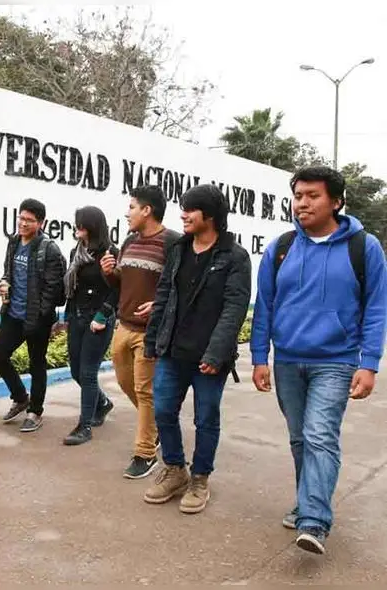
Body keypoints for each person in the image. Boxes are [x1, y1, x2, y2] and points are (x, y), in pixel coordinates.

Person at [250, 166, 387, 555]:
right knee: (299, 439)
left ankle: (314, 520)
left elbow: (376, 307)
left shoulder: (364, 247)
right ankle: (308, 501)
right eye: (298, 196)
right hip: (289, 361)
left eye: (313, 195)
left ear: (336, 201)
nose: (303, 203)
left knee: (319, 435)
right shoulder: (282, 247)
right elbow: (266, 305)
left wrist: (369, 362)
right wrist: (260, 356)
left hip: (337, 361)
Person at [142, 184, 251, 514]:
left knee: (205, 418)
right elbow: (164, 294)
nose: (183, 214)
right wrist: (152, 340)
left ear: (211, 215)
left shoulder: (234, 256)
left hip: (209, 359)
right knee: (162, 411)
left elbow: (235, 308)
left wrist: (216, 353)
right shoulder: (179, 248)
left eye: (190, 209)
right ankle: (175, 468)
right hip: (173, 352)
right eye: (183, 208)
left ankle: (200, 477)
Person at [101, 185, 181, 478]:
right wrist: (110, 272)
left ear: (147, 210)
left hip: (151, 332)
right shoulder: (129, 241)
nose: (127, 212)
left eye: (132, 207)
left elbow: (181, 286)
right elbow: (122, 284)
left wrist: (159, 304)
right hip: (123, 327)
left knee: (145, 391)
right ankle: (158, 427)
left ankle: (145, 452)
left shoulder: (173, 242)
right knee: (125, 383)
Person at [0, 198, 67, 433]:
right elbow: (8, 272)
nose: (23, 223)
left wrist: (40, 316)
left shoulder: (49, 249)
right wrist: (3, 283)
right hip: (13, 314)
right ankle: (20, 397)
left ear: (41, 223)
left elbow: (52, 289)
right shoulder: (14, 243)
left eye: (29, 220)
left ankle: (35, 411)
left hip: (37, 319)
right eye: (21, 218)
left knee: (37, 364)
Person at [63, 206, 119, 446]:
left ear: (93, 226)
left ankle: (84, 426)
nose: (78, 228)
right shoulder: (76, 251)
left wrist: (103, 315)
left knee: (87, 372)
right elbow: (72, 288)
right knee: (75, 370)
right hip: (76, 316)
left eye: (82, 224)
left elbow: (117, 287)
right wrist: (67, 315)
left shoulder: (110, 252)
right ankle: (103, 402)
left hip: (98, 319)